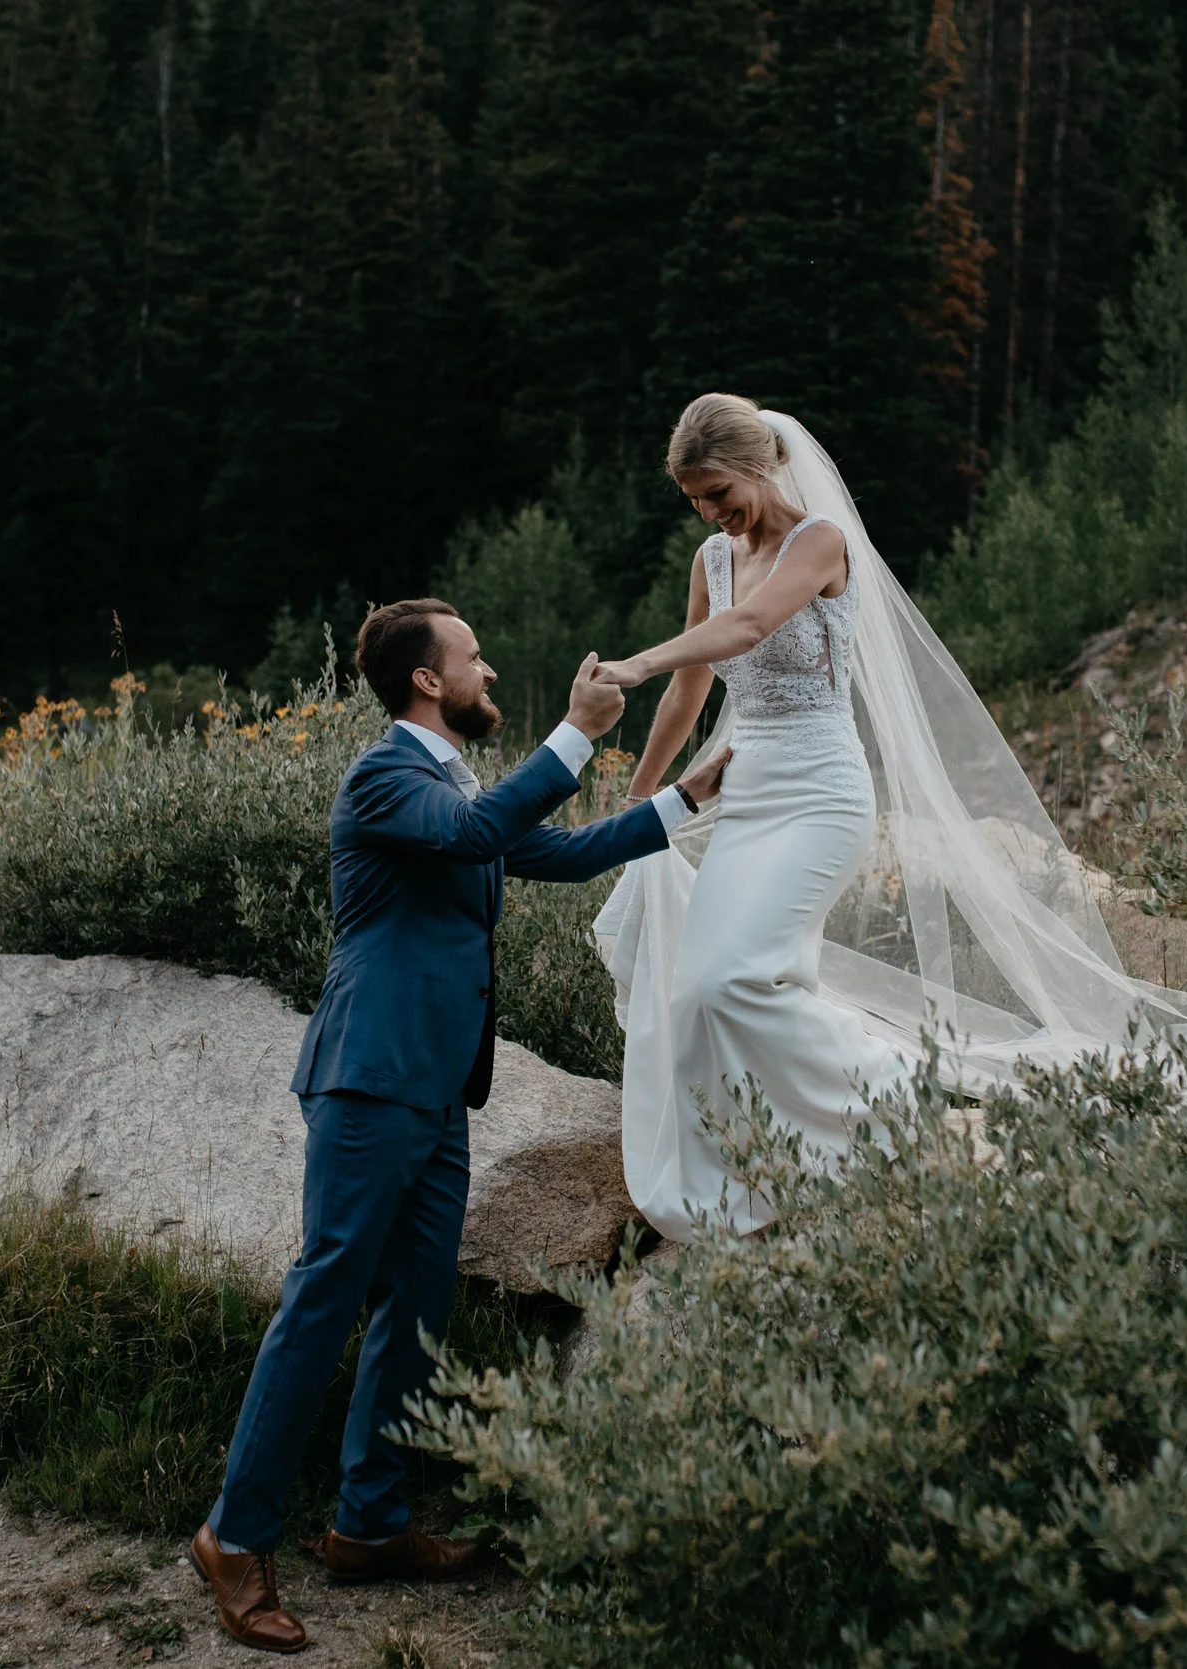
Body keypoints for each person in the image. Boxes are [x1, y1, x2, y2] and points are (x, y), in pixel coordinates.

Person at [191, 599, 731, 1653]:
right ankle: (235, 1536)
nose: (488, 672)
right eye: (474, 659)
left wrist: (684, 797)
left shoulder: (456, 792)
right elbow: (487, 833)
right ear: (428, 682)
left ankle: (369, 1521)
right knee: (324, 1299)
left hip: (438, 1093)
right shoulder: (388, 779)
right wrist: (577, 732)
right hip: (367, 1080)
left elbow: (558, 854)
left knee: (416, 1306)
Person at [592, 394, 1187, 1241]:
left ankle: (890, 1094)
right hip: (746, 792)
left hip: (822, 796)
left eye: (718, 492)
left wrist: (640, 659)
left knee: (737, 977)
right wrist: (639, 803)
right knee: (702, 987)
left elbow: (751, 627)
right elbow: (695, 688)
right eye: (695, 499)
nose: (710, 512)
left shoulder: (822, 543)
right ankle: (756, 1164)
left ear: (761, 465)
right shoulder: (711, 558)